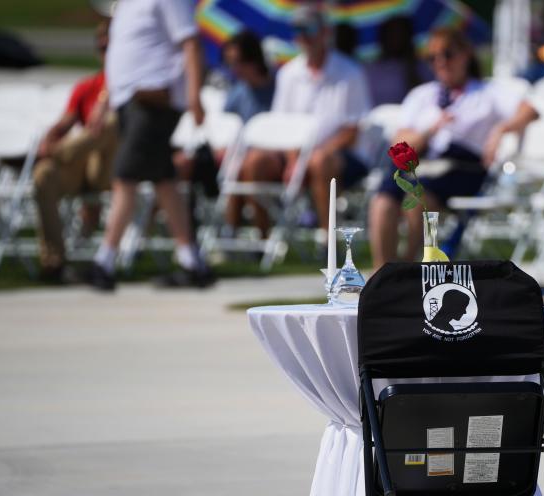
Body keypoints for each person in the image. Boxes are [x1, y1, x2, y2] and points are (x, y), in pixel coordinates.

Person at [367, 27, 534, 269]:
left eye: (447, 54)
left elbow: (529, 111)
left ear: (465, 54)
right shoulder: (423, 95)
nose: (440, 62)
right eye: (432, 57)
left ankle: (411, 268)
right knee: (383, 200)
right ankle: (381, 273)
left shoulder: (486, 91)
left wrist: (500, 130)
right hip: (424, 163)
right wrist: (430, 129)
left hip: (465, 167)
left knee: (416, 198)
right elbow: (398, 145)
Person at [87, 0, 212, 291]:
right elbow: (124, 55)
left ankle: (104, 261)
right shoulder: (126, 5)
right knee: (164, 181)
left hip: (154, 100)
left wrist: (194, 96)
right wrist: (104, 101)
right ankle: (191, 261)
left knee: (124, 177)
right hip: (128, 102)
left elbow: (190, 43)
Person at [238, 7, 371, 235]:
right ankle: (262, 239)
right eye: (297, 29)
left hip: (342, 155)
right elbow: (282, 127)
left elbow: (352, 131)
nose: (302, 35)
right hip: (296, 154)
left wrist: (306, 159)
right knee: (253, 162)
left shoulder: (351, 72)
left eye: (308, 28)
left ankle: (326, 239)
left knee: (320, 161)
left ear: (325, 32)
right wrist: (294, 161)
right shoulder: (287, 74)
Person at [33, 18, 116, 283]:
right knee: (43, 176)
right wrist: (50, 138)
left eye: (112, 48)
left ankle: (58, 153)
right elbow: (65, 122)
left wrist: (56, 149)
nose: (106, 55)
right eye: (102, 49)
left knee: (109, 123)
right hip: (82, 161)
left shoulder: (129, 88)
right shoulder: (86, 87)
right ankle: (54, 263)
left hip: (112, 167)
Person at [212, 29, 277, 235]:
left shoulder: (279, 87)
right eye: (229, 63)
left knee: (248, 165)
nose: (233, 69)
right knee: (238, 166)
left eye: (237, 62)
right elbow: (223, 128)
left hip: (273, 157)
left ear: (253, 59)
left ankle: (260, 234)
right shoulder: (237, 92)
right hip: (240, 159)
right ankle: (232, 233)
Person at [363, 15, 432, 106]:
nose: (396, 39)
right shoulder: (369, 71)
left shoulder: (423, 68)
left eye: (401, 33)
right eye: (391, 33)